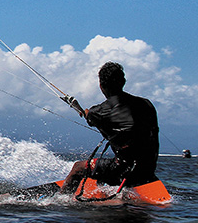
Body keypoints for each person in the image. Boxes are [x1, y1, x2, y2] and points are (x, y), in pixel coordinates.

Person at [62, 61, 160, 192]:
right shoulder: (146, 104)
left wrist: (80, 109)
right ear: (123, 82)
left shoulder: (99, 112)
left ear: (101, 86)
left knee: (78, 168)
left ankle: (62, 201)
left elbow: (90, 116)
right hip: (148, 169)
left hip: (125, 172)